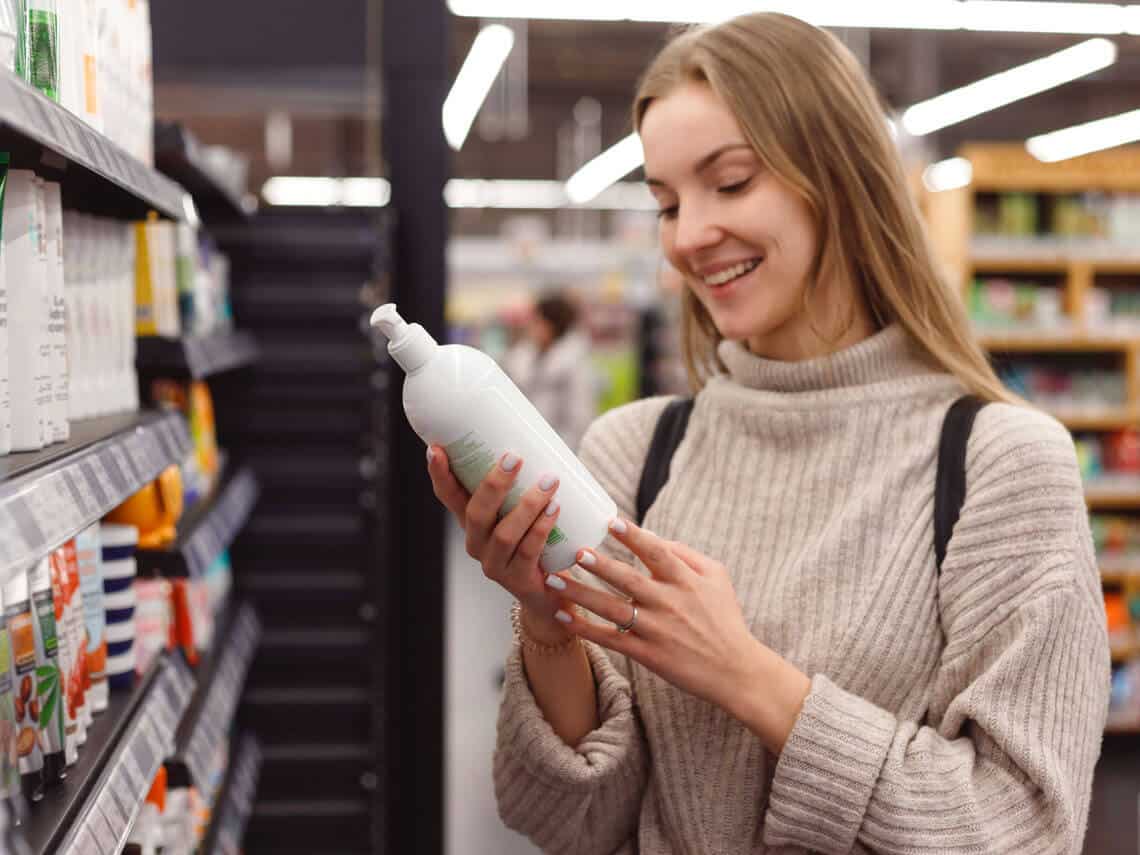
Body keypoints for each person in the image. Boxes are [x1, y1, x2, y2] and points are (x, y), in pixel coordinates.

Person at [427, 13, 1109, 854]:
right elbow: (577, 826)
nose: (688, 236)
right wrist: (548, 623)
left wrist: (747, 675)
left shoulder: (1000, 465)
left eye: (733, 182)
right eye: (667, 202)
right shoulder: (634, 452)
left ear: (838, 176)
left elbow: (1026, 828)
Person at [502, 292, 596, 452]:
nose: (531, 326)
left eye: (537, 321)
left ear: (552, 324)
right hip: (524, 445)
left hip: (559, 451)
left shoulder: (575, 364)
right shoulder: (522, 356)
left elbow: (580, 419)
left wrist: (556, 452)